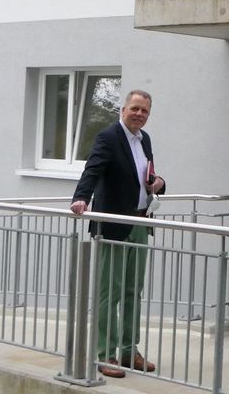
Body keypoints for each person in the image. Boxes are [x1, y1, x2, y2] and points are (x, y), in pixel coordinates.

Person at [69, 90, 167, 379]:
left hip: (140, 221)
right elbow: (93, 169)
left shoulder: (144, 139)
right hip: (113, 223)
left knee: (132, 291)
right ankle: (105, 352)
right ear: (123, 109)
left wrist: (159, 183)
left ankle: (128, 349)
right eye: (135, 108)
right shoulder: (109, 136)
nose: (139, 114)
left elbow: (147, 176)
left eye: (145, 111)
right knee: (108, 291)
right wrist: (81, 198)